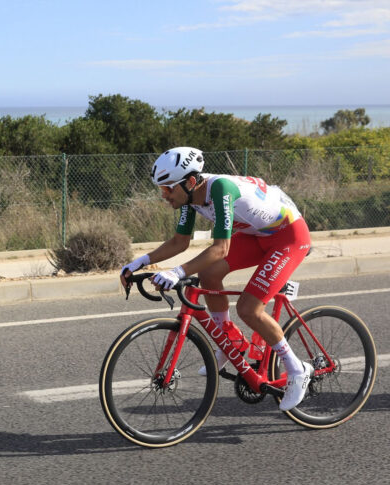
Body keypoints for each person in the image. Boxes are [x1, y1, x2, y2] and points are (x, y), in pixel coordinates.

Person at [120, 147, 313, 411]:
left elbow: (221, 248)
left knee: (249, 309)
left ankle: (297, 369)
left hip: (288, 236)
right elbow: (180, 241)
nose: (164, 196)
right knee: (209, 273)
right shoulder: (188, 197)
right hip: (258, 235)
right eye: (161, 190)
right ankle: (231, 339)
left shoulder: (220, 189)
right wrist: (139, 261)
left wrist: (177, 272)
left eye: (167, 189)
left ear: (190, 182)